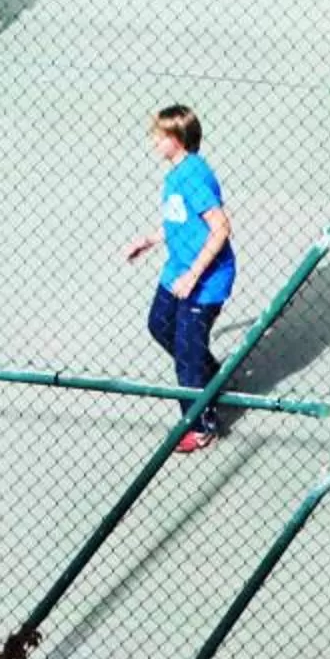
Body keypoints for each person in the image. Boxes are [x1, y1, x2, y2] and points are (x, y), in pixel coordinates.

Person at [124, 103, 236, 451]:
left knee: (186, 354)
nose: (154, 141)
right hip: (178, 268)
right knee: (160, 324)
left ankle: (202, 426)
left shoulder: (192, 176)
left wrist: (193, 275)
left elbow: (220, 228)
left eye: (159, 136)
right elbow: (180, 219)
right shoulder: (176, 174)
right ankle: (212, 376)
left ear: (177, 139)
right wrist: (151, 239)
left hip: (206, 280)